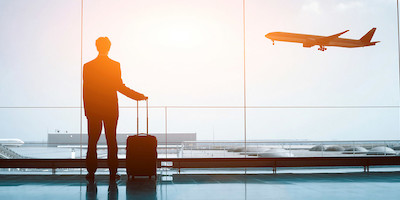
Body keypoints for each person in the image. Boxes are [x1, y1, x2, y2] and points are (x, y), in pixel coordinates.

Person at [83, 37, 147, 180]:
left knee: (92, 141)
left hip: (93, 109)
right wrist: (137, 96)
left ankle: (91, 173)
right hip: (110, 108)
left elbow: (86, 90)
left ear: (96, 47)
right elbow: (119, 86)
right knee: (111, 140)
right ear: (109, 47)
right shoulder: (114, 65)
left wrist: (87, 111)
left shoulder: (88, 66)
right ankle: (113, 172)